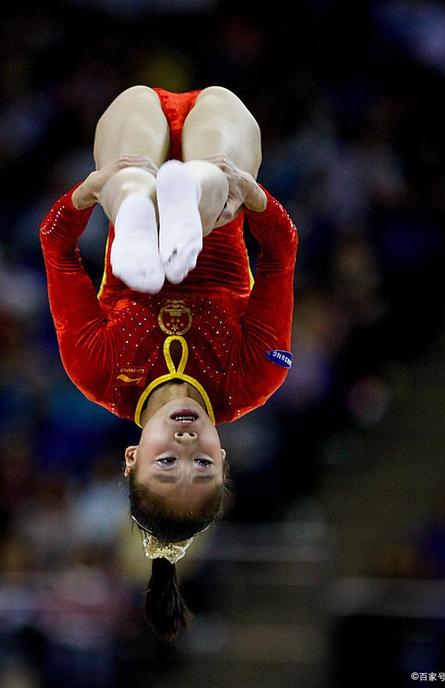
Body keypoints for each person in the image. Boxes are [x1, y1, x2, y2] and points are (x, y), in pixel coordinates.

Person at [40, 85, 298, 639]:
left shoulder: (98, 373)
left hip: (132, 152)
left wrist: (86, 194)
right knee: (214, 179)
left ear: (132, 458)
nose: (185, 449)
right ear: (223, 460)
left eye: (165, 465)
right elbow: (282, 252)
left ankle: (136, 207)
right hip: (218, 175)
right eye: (202, 466)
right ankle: (185, 193)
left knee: (128, 165)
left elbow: (57, 247)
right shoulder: (255, 378)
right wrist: (255, 201)